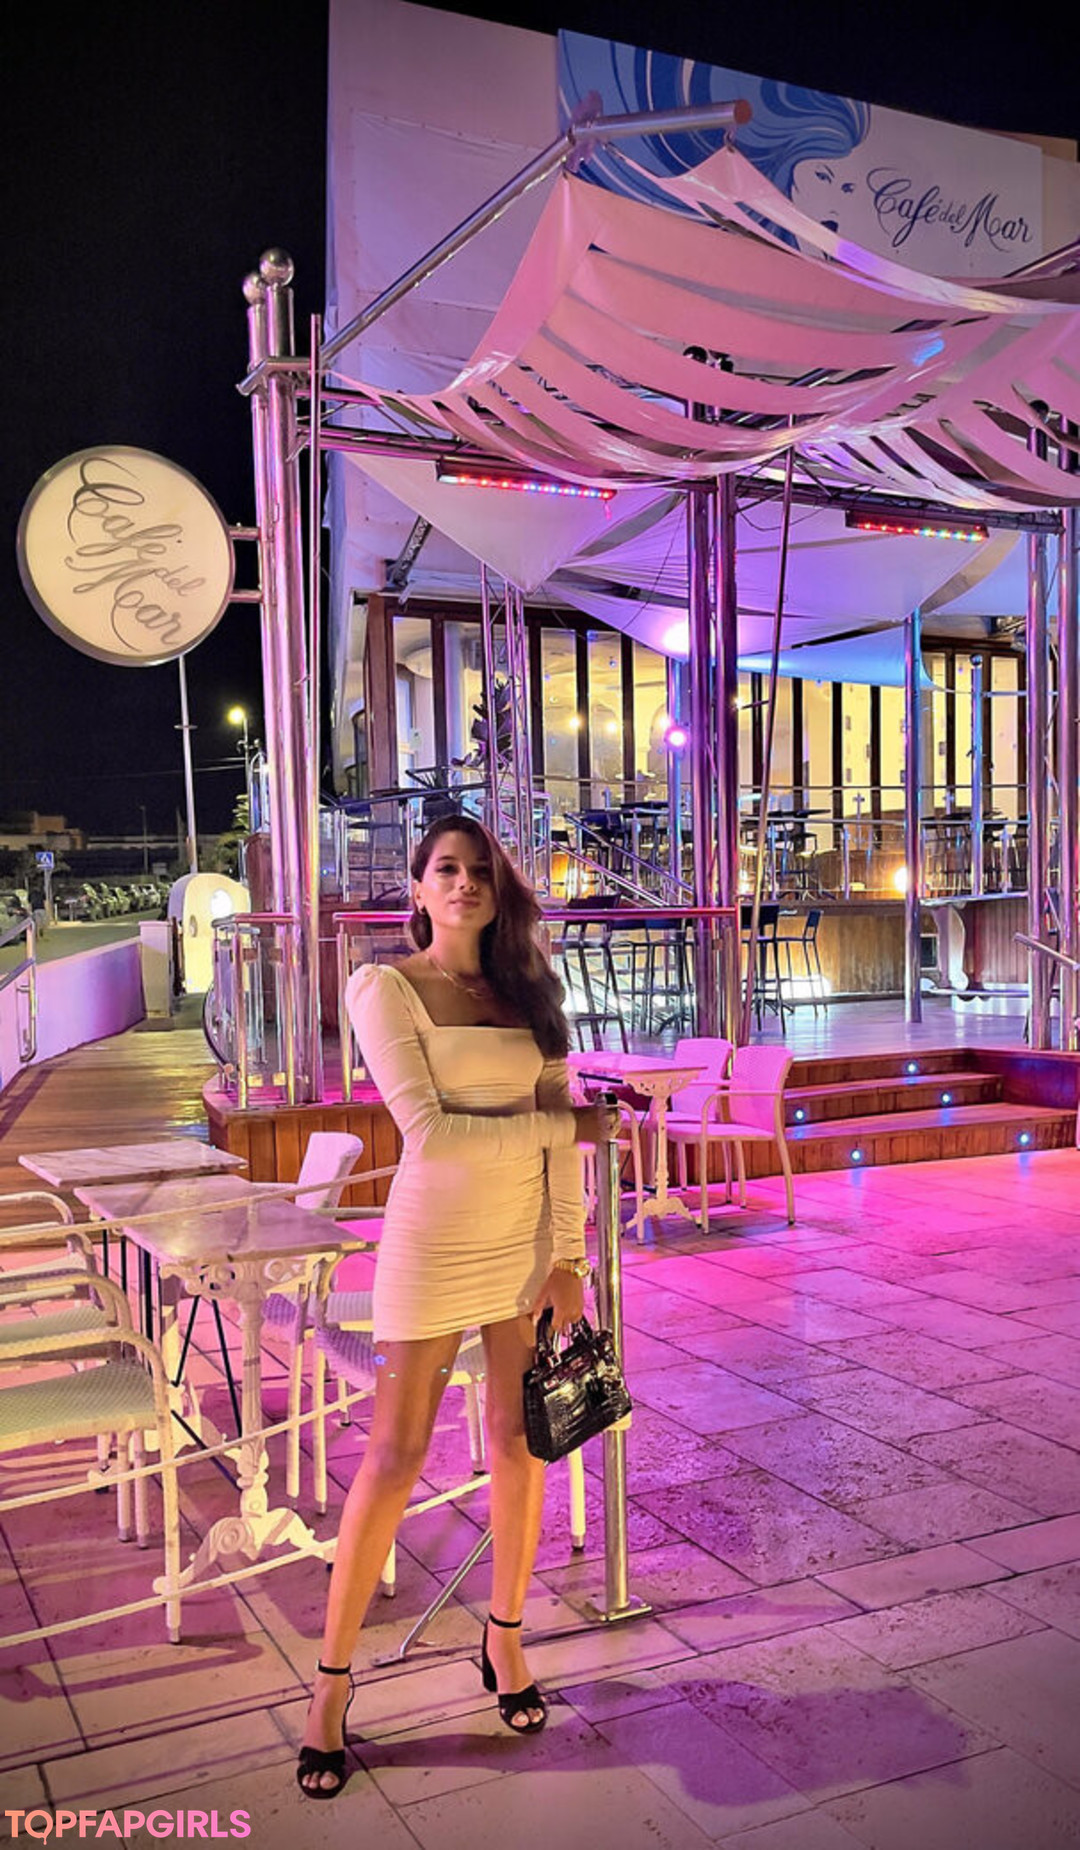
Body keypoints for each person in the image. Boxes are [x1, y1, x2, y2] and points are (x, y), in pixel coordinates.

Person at [297, 812, 618, 1798]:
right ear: (419, 886)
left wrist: (567, 1256)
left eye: (480, 868)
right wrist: (564, 1124)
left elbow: (562, 1142)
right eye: (447, 868)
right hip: (433, 1242)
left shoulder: (532, 991)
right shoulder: (384, 987)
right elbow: (429, 1134)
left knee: (522, 1444)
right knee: (395, 1455)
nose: (465, 882)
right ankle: (331, 1684)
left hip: (521, 1245)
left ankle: (506, 1637)